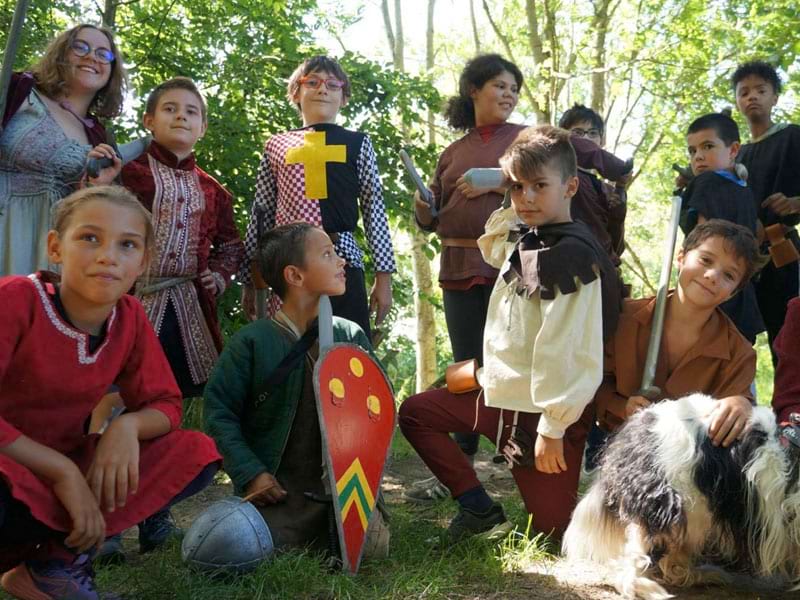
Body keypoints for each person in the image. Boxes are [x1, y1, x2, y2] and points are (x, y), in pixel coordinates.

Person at [400, 126, 622, 541]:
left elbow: (567, 352)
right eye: (519, 187)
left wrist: (553, 431)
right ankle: (479, 510)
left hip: (542, 414)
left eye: (540, 186)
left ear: (571, 185)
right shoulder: (525, 236)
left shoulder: (573, 254)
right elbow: (493, 243)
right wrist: (512, 185)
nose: (527, 197)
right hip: (497, 395)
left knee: (555, 533)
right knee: (416, 412)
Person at [0, 186, 220, 600]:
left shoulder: (130, 318)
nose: (108, 256)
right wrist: (61, 472)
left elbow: (166, 404)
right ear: (55, 247)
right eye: (89, 238)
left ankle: (55, 564)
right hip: (10, 466)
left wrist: (127, 429)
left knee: (192, 451)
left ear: (143, 262)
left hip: (68, 465)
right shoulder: (15, 299)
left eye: (127, 245)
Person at [204, 222, 388, 555]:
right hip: (279, 494)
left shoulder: (351, 335)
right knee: (243, 547)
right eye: (328, 254)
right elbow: (219, 413)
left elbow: (376, 418)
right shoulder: (252, 342)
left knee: (373, 547)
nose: (342, 261)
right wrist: (252, 474)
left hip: (342, 498)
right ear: (296, 276)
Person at [409, 54, 525, 501]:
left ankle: (518, 453)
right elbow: (432, 215)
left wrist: (497, 182)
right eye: (499, 85)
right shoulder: (452, 152)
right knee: (464, 363)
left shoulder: (526, 139)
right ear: (473, 90)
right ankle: (461, 458)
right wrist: (424, 209)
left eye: (514, 88)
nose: (509, 94)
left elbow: (545, 181)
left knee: (510, 357)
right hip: (457, 266)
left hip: (510, 266)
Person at [239, 55, 395, 340]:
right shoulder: (277, 145)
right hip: (289, 266)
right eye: (312, 82)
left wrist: (384, 276)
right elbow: (261, 212)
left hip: (342, 261)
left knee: (348, 352)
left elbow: (374, 209)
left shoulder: (358, 143)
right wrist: (252, 276)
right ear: (296, 93)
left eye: (333, 85)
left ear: (344, 97)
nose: (323, 89)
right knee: (289, 349)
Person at [120, 77, 244, 399]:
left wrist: (218, 277)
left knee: (179, 393)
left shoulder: (213, 191)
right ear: (149, 121)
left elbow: (231, 244)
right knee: (122, 387)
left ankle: (177, 448)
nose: (180, 117)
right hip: (131, 297)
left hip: (190, 307)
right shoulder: (125, 173)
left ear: (202, 127)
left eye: (191, 112)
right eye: (170, 109)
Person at [595, 220, 759, 443]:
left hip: (684, 460)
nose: (712, 275)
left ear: (733, 292)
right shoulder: (623, 317)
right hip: (610, 441)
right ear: (681, 257)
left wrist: (741, 403)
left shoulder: (740, 353)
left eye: (729, 276)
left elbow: (740, 404)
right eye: (705, 260)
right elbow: (592, 379)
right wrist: (620, 406)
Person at [0, 23, 126, 276]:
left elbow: (93, 217)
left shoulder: (100, 137)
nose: (92, 56)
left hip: (51, 252)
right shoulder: (18, 89)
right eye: (80, 47)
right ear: (61, 54)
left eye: (104, 54)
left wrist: (95, 186)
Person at [676, 111, 765, 344]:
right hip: (737, 292)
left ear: (734, 150)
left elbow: (702, 238)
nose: (698, 157)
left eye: (707, 147)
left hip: (708, 291)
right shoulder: (745, 190)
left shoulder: (706, 181)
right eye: (693, 151)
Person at [732, 60, 800, 362]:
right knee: (734, 341)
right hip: (742, 261)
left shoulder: (793, 137)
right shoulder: (737, 155)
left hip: (784, 255)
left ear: (775, 97)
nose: (752, 97)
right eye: (744, 92)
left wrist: (796, 203)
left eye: (761, 90)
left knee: (788, 341)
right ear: (737, 102)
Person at [557, 103, 632, 267]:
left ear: (602, 140)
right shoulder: (556, 177)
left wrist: (619, 201)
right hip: (564, 267)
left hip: (602, 271)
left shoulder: (608, 190)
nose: (585, 139)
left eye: (592, 133)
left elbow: (616, 249)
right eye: (577, 133)